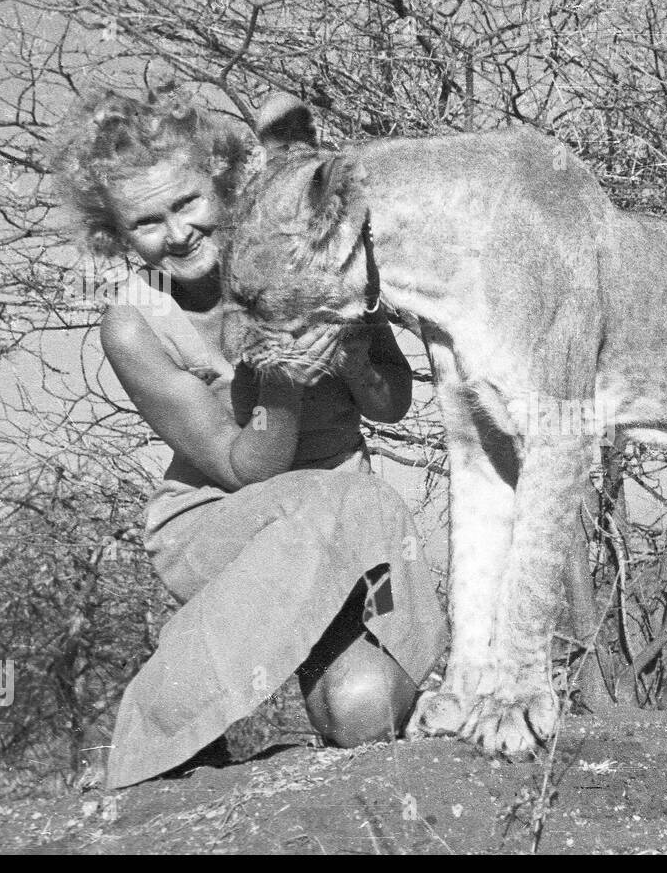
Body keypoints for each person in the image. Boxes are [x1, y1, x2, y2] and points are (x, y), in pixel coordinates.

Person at [46, 87, 447, 788]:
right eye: (146, 221)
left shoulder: (307, 253)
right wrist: (283, 363)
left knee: (364, 712)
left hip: (339, 531)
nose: (176, 232)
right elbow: (244, 469)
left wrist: (343, 345)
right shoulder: (132, 326)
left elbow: (393, 401)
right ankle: (149, 738)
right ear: (114, 236)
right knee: (345, 503)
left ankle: (402, 689)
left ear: (226, 185)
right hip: (223, 529)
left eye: (187, 202)